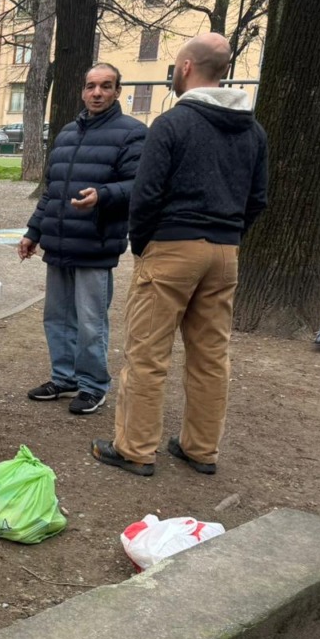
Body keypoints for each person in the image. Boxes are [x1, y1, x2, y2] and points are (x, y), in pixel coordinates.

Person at [92, 33, 267, 476]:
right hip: (225, 251)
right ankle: (201, 448)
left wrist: (145, 244)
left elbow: (146, 194)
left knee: (147, 354)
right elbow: (258, 199)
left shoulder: (172, 124)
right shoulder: (253, 129)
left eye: (174, 64)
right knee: (211, 355)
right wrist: (229, 235)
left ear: (187, 66)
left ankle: (135, 448)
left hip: (172, 247)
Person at [19, 63, 147, 415]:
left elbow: (140, 186)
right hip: (59, 243)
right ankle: (64, 377)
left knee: (91, 322)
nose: (97, 93)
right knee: (57, 318)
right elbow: (52, 191)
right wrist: (34, 232)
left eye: (106, 86)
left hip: (96, 244)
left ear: (118, 91)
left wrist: (103, 195)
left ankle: (93, 385)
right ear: (82, 91)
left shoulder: (133, 134)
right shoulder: (66, 134)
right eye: (91, 86)